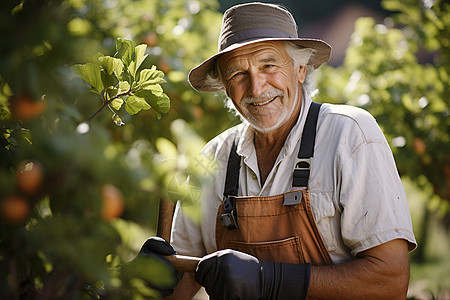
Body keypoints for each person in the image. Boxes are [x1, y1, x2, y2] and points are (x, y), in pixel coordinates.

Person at [138, 2, 417, 299]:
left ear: (299, 69)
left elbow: (391, 281)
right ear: (224, 87)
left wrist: (268, 278)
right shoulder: (213, 158)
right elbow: (181, 285)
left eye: (268, 65)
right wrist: (155, 276)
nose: (257, 88)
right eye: (237, 74)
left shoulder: (349, 135)